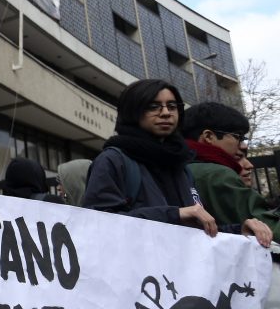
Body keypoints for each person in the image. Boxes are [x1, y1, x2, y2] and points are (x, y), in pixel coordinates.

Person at [82, 78, 218, 237]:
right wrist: (174, 214)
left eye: (172, 106)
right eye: (154, 107)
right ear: (133, 112)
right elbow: (99, 223)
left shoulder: (180, 164)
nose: (166, 113)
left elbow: (203, 229)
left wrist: (241, 230)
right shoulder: (113, 161)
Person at [182, 101, 275, 246]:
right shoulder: (217, 174)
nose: (242, 145)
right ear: (208, 136)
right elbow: (269, 227)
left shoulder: (180, 168)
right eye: (237, 136)